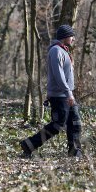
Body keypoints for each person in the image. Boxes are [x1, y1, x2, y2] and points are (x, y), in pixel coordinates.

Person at [20, 24, 83, 158]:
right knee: (58, 125)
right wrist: (68, 93)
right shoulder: (56, 51)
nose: (73, 38)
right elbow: (58, 75)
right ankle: (29, 145)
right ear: (65, 36)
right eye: (71, 36)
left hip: (66, 94)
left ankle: (75, 151)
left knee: (75, 121)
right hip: (60, 95)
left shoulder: (64, 50)